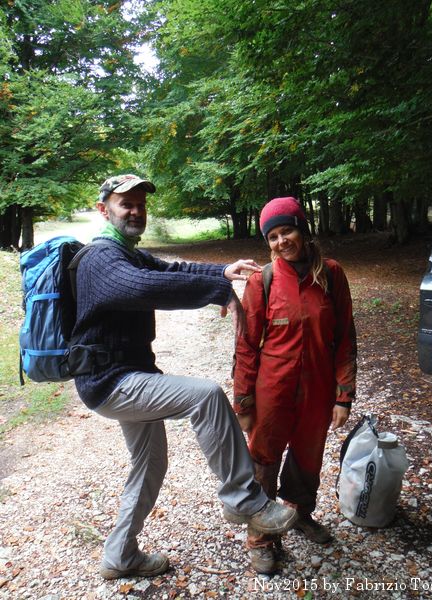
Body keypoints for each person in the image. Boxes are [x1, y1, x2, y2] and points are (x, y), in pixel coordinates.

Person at [70, 175, 297, 580]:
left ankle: (119, 556)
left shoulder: (128, 253)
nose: (136, 211)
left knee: (149, 464)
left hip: (128, 375)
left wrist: (222, 272)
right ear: (104, 210)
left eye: (141, 204)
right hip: (110, 382)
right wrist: (215, 293)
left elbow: (173, 269)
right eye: (126, 204)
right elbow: (142, 287)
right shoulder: (101, 258)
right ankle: (245, 499)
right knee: (205, 395)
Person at [233, 196, 357, 574]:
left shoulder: (331, 275)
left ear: (302, 229)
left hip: (318, 389)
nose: (281, 241)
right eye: (272, 236)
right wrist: (243, 402)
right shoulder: (263, 280)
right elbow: (246, 346)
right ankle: (261, 537)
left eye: (287, 231)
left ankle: (301, 513)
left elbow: (345, 338)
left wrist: (343, 395)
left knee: (308, 456)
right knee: (263, 461)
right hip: (273, 390)